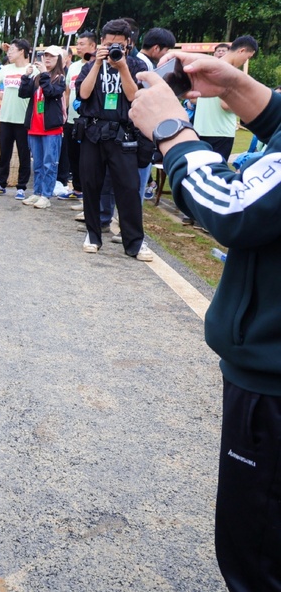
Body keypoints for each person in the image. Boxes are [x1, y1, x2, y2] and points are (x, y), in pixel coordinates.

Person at [129, 51, 281, 592]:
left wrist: (172, 132)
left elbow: (236, 207)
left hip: (271, 385)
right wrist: (243, 91)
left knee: (256, 557)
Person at [75, 18, 152, 260]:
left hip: (123, 133)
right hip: (94, 131)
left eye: (119, 44)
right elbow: (83, 93)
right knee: (91, 185)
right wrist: (98, 63)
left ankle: (134, 242)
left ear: (128, 43)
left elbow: (134, 97)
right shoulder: (90, 65)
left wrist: (123, 68)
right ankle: (93, 235)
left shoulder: (137, 65)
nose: (114, 48)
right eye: (109, 44)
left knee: (129, 187)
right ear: (101, 43)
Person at [192, 36, 259, 164]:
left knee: (201, 168)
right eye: (247, 57)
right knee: (216, 171)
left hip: (200, 129)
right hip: (221, 131)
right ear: (241, 51)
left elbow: (194, 99)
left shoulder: (207, 67)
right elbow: (226, 105)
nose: (245, 61)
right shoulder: (231, 73)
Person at [18, 45, 67, 209]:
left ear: (58, 59)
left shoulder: (60, 78)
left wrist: (44, 74)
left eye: (51, 56)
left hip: (51, 129)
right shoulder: (38, 77)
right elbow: (23, 93)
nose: (47, 59)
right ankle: (37, 192)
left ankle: (46, 195)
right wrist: (26, 77)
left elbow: (51, 92)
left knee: (49, 164)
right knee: (38, 164)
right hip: (34, 127)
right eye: (45, 56)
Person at [0, 39, 32, 198]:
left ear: (22, 51)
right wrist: (0, 95)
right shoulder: (5, 69)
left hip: (24, 120)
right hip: (6, 117)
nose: (9, 53)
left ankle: (21, 187)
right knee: (4, 154)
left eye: (12, 50)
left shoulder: (32, 69)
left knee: (24, 155)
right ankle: (1, 184)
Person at [58, 32, 96, 200]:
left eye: (82, 44)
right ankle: (78, 190)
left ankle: (89, 194)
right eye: (77, 44)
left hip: (88, 121)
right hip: (71, 119)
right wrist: (64, 111)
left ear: (93, 46)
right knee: (72, 155)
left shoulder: (97, 66)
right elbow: (67, 91)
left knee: (87, 158)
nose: (78, 47)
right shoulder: (73, 67)